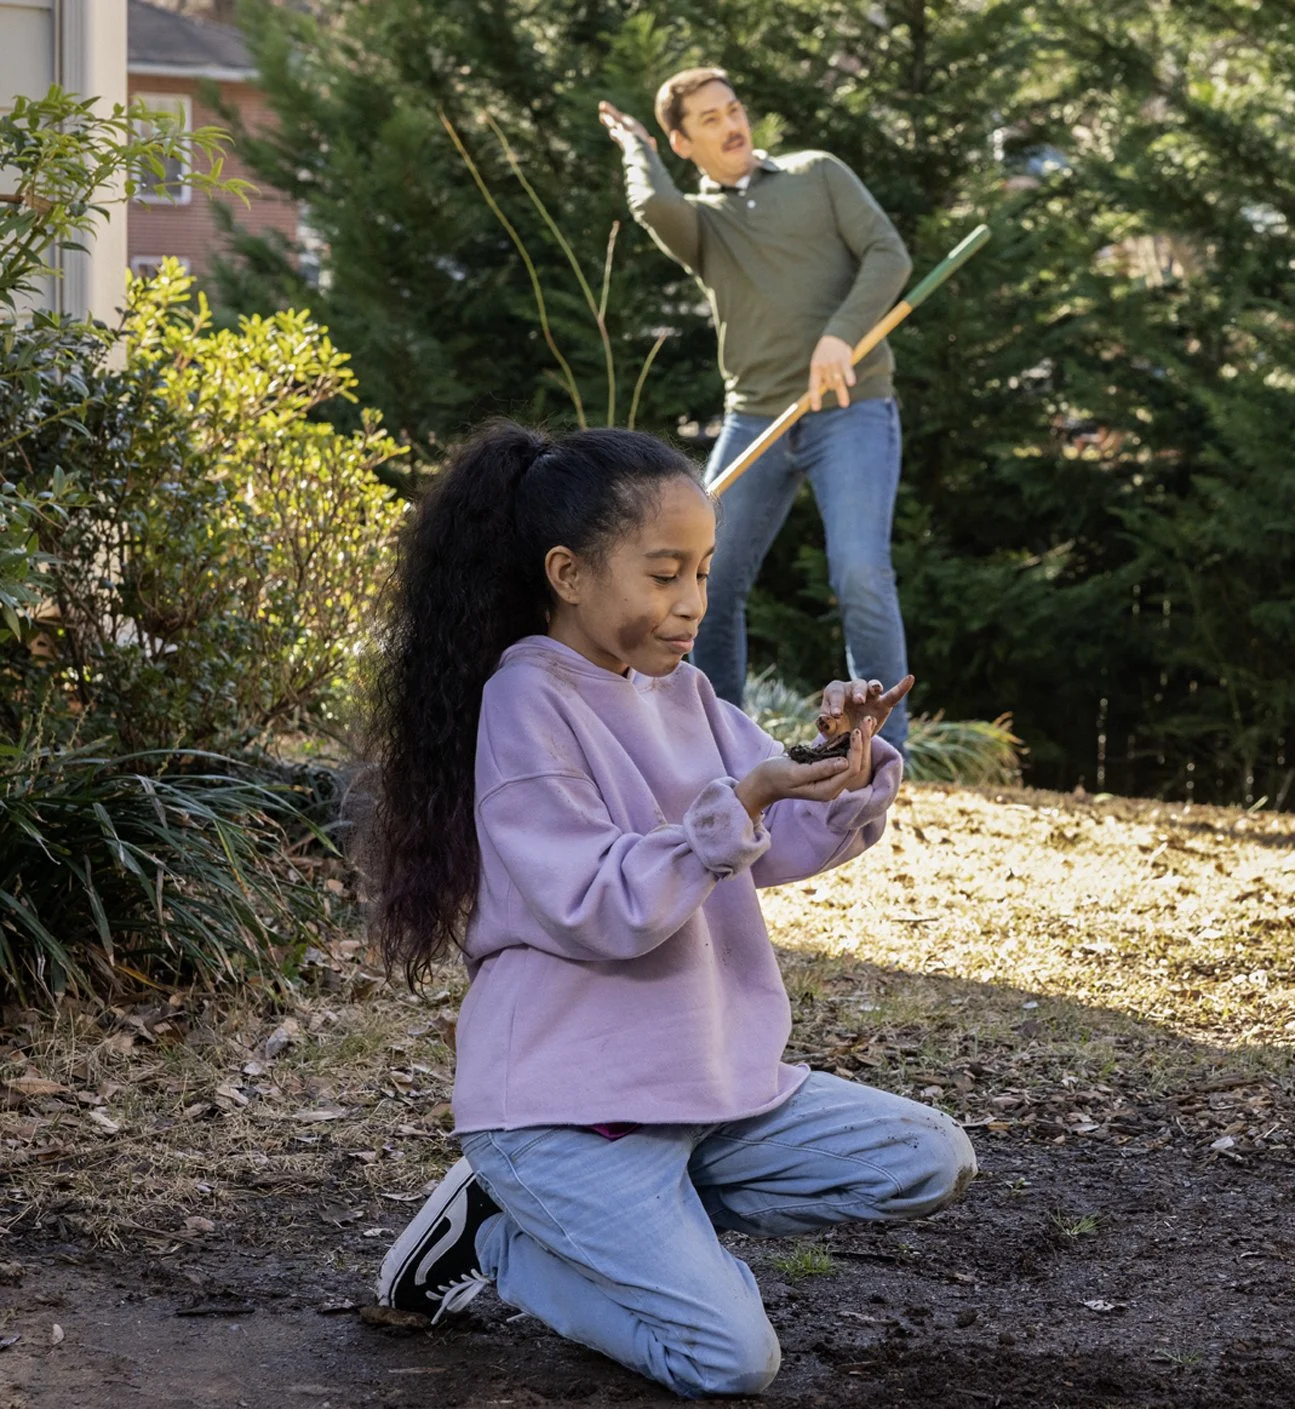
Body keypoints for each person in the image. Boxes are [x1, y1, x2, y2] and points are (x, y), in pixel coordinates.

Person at [362, 420, 974, 1397]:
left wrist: (840, 763)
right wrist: (744, 799)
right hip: (567, 1112)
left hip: (703, 1089)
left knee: (927, 1157)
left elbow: (780, 834)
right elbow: (598, 902)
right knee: (730, 1360)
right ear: (567, 573)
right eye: (664, 574)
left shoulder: (683, 692)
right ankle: (502, 1241)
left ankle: (631, 1227)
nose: (693, 602)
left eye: (703, 571)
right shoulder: (525, 703)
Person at [599, 69, 915, 751]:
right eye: (709, 119)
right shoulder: (703, 226)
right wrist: (635, 148)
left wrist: (841, 334)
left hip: (851, 406)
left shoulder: (816, 173)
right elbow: (652, 204)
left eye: (734, 109)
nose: (732, 124)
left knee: (861, 574)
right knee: (703, 574)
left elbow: (887, 254)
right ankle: (719, 748)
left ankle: (883, 753)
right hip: (756, 418)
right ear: (682, 142)